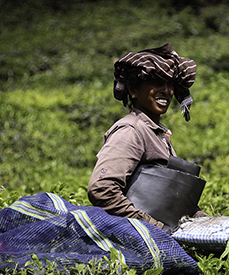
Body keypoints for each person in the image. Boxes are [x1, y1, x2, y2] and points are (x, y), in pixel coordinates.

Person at [87, 43, 207, 233]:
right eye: (157, 83)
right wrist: (156, 228)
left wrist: (204, 220)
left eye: (170, 84)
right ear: (133, 91)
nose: (166, 91)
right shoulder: (130, 131)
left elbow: (168, 198)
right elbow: (102, 189)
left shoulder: (156, 133)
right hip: (136, 238)